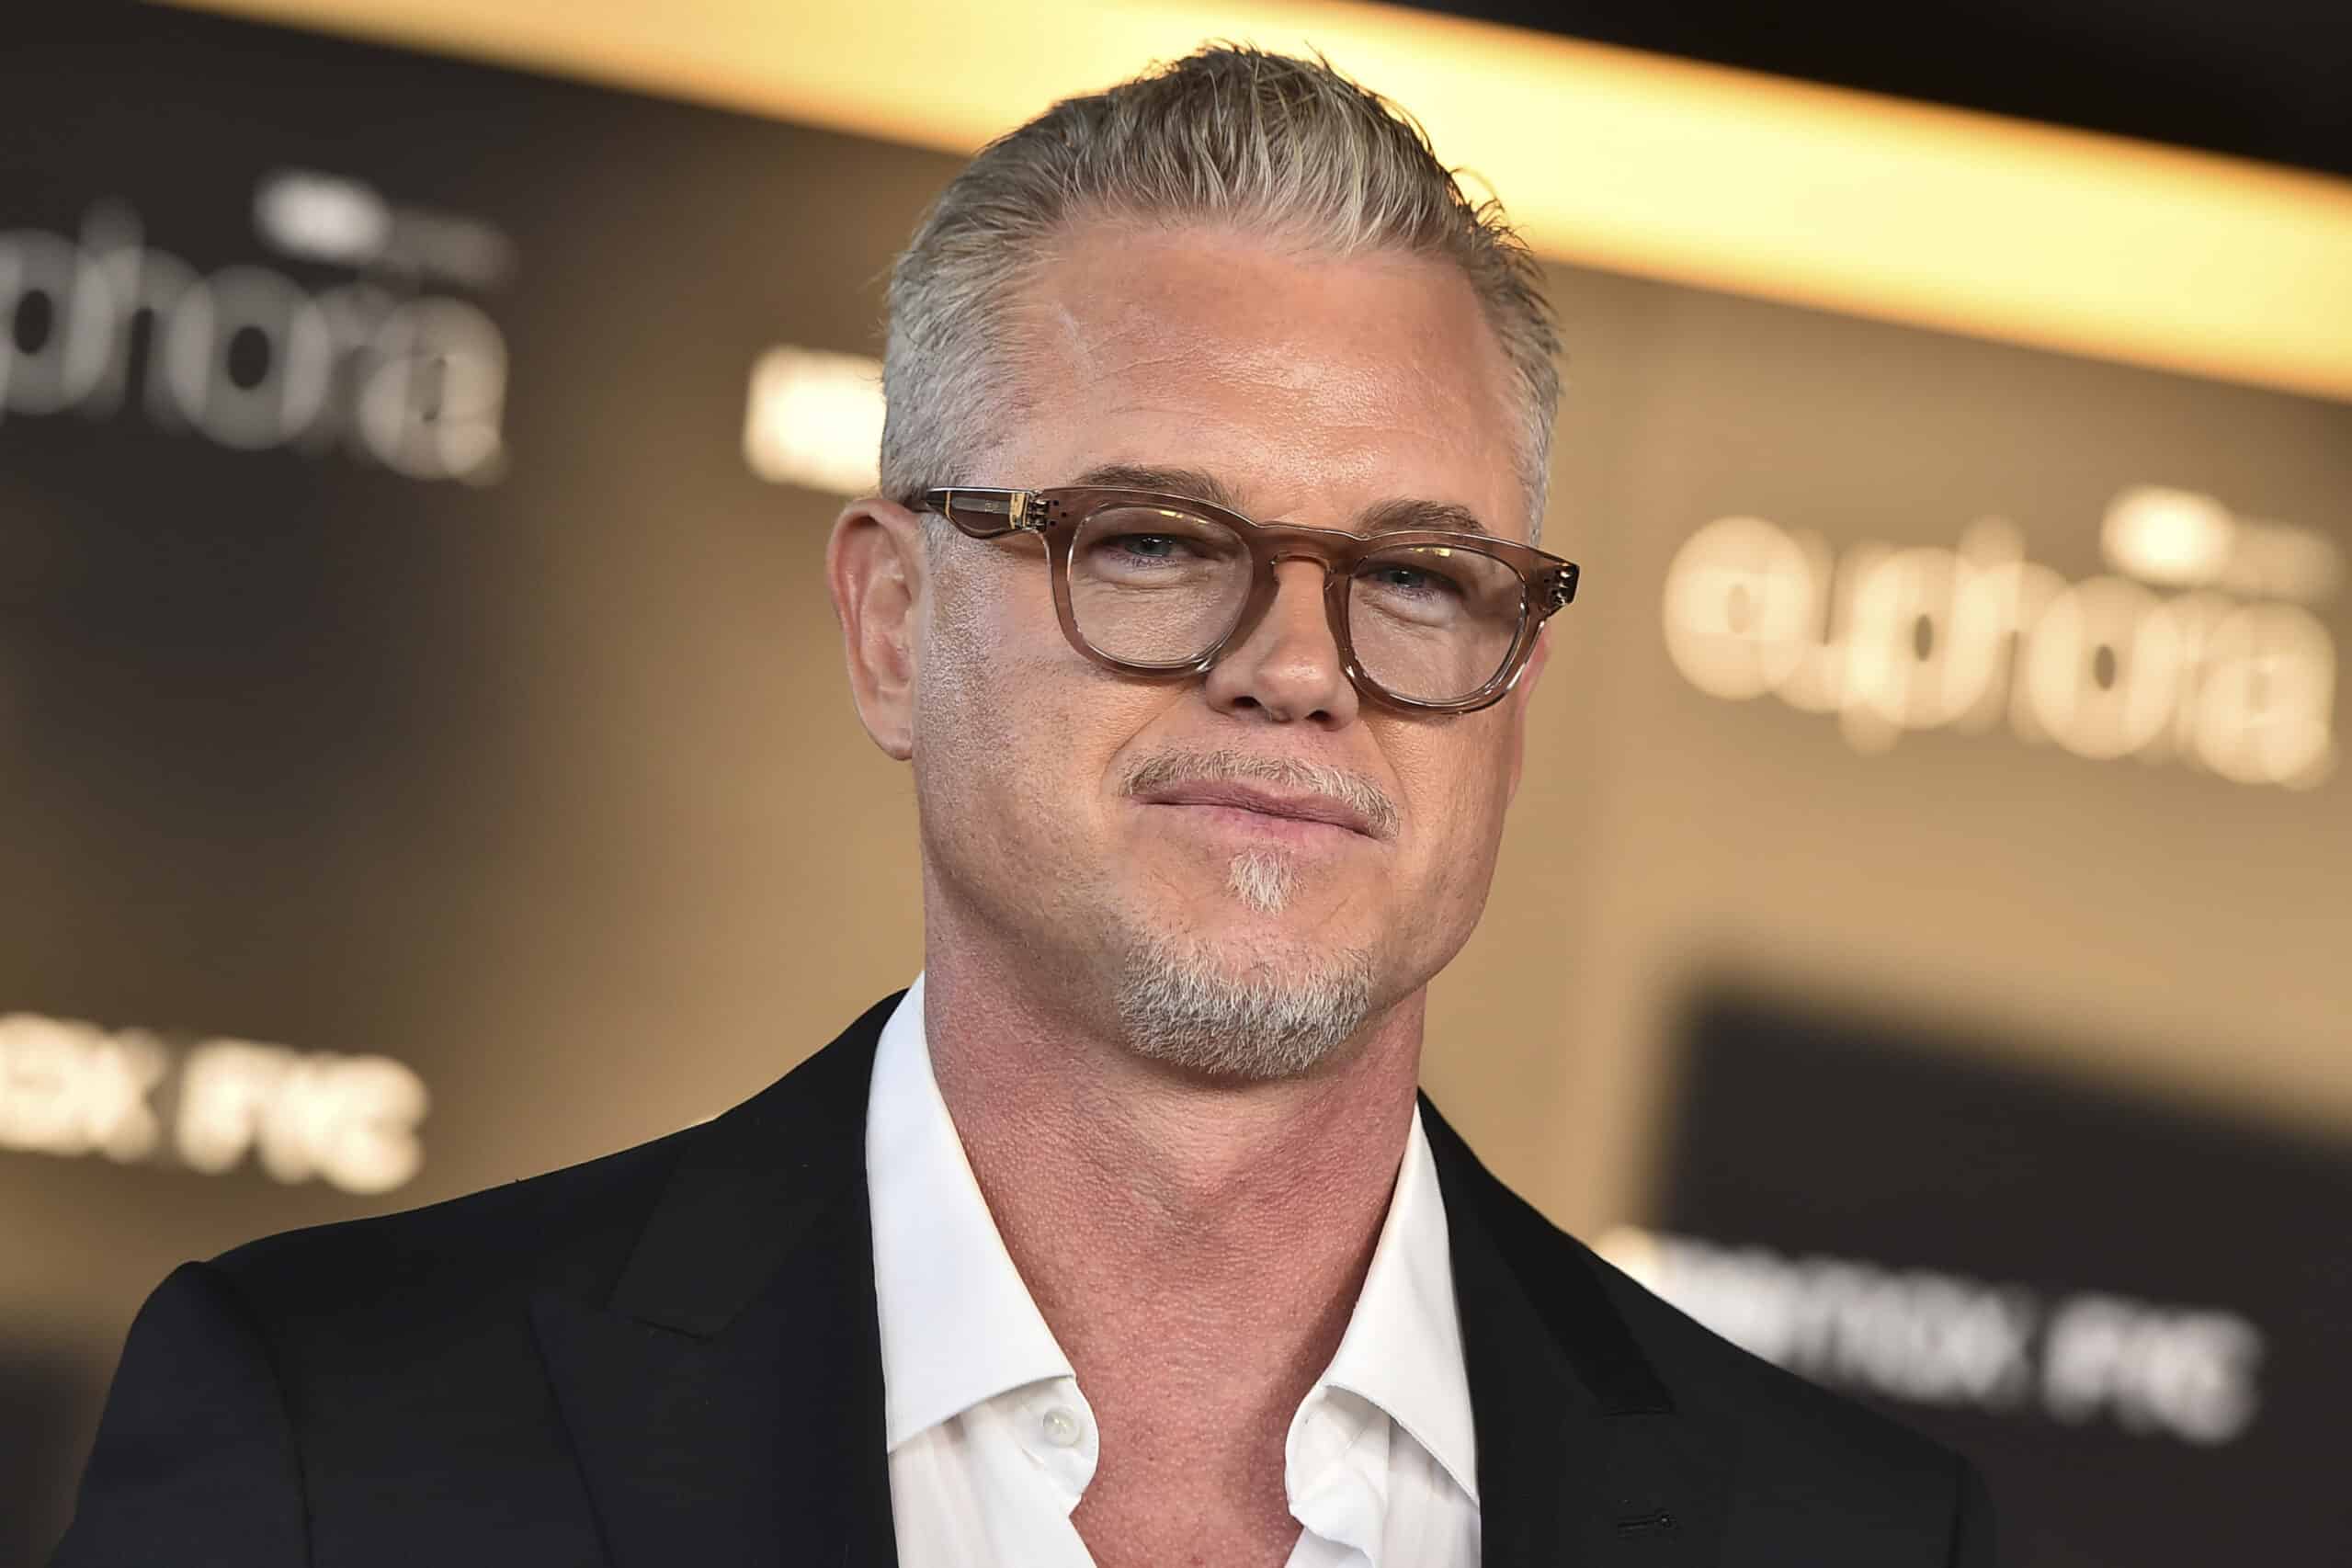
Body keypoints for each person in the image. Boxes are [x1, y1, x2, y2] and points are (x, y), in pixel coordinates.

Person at [55, 46, 1993, 1568]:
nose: (1296, 667)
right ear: (892, 623)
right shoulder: (339, 1437)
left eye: (1414, 575)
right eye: (1151, 539)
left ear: (1515, 683)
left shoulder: (1848, 1539)